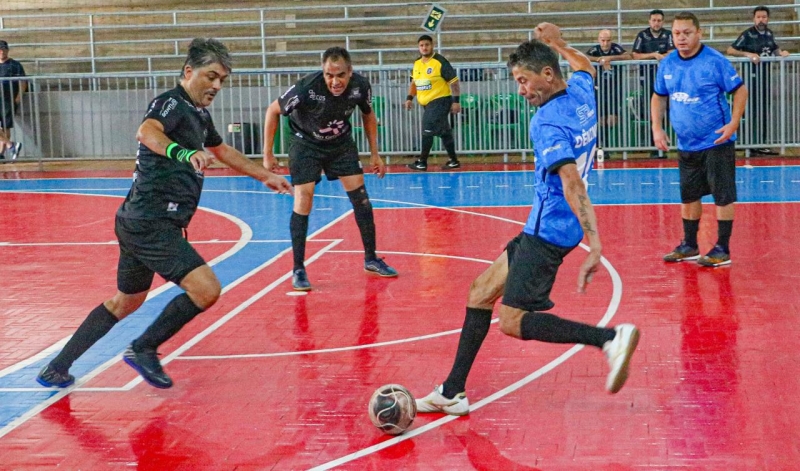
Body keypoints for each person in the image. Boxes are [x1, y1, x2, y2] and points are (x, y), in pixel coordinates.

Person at [36, 38, 293, 389]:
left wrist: (265, 175)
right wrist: (183, 154)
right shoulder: (170, 104)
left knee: (125, 302)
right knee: (205, 289)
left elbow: (221, 150)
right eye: (211, 76)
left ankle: (57, 367)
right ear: (189, 72)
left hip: (139, 220)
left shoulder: (199, 114)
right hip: (151, 223)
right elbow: (146, 132)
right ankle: (143, 348)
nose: (217, 86)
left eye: (222, 80)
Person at [414, 23, 640, 416]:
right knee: (480, 291)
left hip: (551, 229)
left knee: (513, 321)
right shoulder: (582, 93)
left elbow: (572, 183)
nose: (521, 89)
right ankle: (453, 391)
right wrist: (557, 43)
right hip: (545, 224)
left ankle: (609, 338)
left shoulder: (547, 122)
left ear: (547, 75)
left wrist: (596, 242)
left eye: (524, 80)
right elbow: (584, 64)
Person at [262, 46, 397, 292]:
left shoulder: (360, 86)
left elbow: (368, 114)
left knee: (362, 199)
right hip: (305, 144)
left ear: (350, 72)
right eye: (329, 75)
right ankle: (298, 268)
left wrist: (375, 153)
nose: (335, 81)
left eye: (340, 75)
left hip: (340, 143)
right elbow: (273, 111)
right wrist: (267, 154)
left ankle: (371, 259)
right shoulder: (307, 87)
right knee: (304, 199)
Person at [655, 12, 748, 268]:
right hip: (686, 144)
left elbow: (740, 90)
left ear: (699, 33)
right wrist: (657, 128)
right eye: (676, 33)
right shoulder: (668, 64)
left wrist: (733, 123)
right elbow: (658, 95)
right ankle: (689, 244)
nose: (681, 38)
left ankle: (723, 248)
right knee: (689, 196)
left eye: (686, 33)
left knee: (722, 196)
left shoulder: (714, 61)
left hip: (716, 142)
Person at [726, 6, 790, 156]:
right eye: (759, 17)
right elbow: (730, 50)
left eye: (764, 17)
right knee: (752, 110)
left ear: (768, 18)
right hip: (751, 78)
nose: (761, 20)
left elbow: (775, 49)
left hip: (765, 77)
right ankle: (751, 143)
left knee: (763, 110)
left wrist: (782, 53)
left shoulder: (769, 33)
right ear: (754, 19)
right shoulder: (748, 34)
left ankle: (761, 143)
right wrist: (748, 54)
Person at [405, 34, 462, 171]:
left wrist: (456, 101)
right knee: (444, 131)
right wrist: (409, 97)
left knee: (427, 128)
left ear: (432, 45)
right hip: (427, 103)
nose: (424, 47)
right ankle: (453, 160)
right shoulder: (417, 63)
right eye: (421, 45)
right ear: (419, 47)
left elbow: (454, 82)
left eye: (427, 45)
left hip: (440, 100)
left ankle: (422, 161)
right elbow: (414, 83)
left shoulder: (440, 62)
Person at [632, 9, 674, 158]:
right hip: (648, 80)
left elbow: (674, 52)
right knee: (653, 113)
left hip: (667, 80)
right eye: (654, 20)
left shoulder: (669, 35)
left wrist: (663, 56)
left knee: (669, 112)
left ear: (662, 22)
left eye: (659, 20)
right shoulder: (642, 35)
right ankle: (654, 146)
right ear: (649, 21)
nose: (656, 23)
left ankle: (669, 145)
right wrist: (653, 55)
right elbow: (635, 55)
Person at [586, 30, 632, 154]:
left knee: (612, 120)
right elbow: (585, 57)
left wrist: (610, 58)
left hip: (614, 90)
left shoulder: (616, 48)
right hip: (599, 90)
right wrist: (599, 60)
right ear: (598, 40)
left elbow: (628, 56)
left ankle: (605, 145)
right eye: (602, 40)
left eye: (608, 40)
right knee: (600, 119)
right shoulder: (595, 50)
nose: (605, 43)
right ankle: (601, 147)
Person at [0, 40, 26, 161]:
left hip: (7, 99)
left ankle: (1, 153)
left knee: (6, 127)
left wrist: (18, 98)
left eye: (4, 49)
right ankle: (11, 145)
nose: (2, 52)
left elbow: (22, 82)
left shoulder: (15, 65)